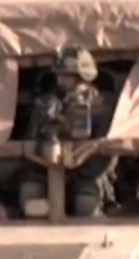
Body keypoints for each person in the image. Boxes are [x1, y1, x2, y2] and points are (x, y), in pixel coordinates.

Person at [18, 47, 118, 217]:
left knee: (86, 205)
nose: (60, 80)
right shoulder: (46, 103)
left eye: (66, 76)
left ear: (82, 77)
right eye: (59, 75)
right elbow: (30, 140)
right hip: (46, 169)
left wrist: (81, 163)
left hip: (89, 173)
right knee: (31, 197)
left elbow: (109, 148)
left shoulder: (103, 106)